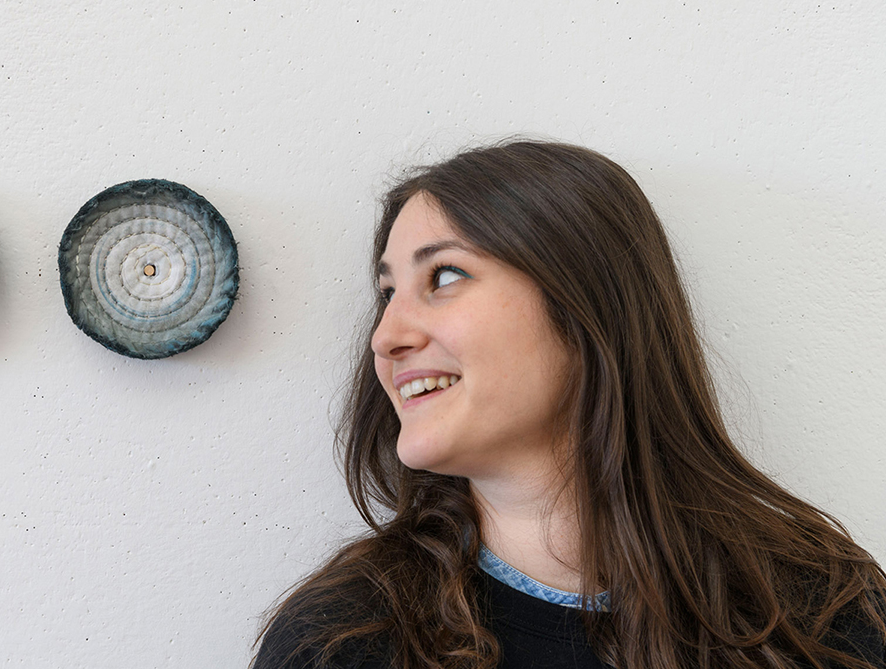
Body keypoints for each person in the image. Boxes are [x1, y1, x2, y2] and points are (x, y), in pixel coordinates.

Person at [252, 140, 886, 669]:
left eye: (443, 276)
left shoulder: (821, 614)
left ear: (588, 305)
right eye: (387, 293)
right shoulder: (342, 641)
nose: (386, 337)